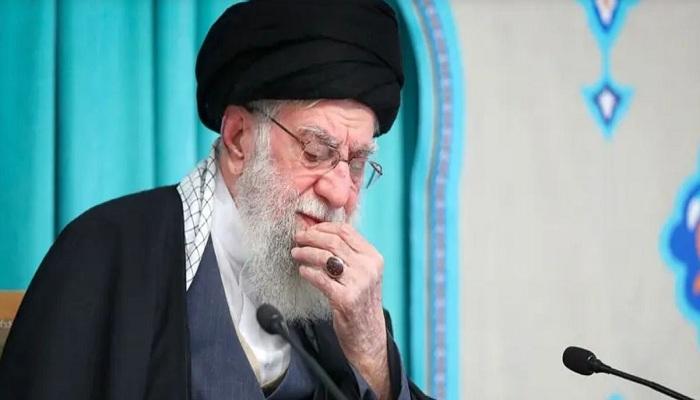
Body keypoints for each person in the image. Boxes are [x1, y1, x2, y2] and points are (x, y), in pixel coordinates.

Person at [0, 1, 431, 399]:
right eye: (316, 152)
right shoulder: (103, 251)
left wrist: (371, 349)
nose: (339, 192)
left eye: (356, 163)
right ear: (239, 138)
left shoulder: (340, 301)